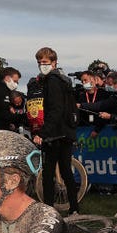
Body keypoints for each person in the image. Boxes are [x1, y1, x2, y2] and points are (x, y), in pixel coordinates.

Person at [27, 46, 80, 214]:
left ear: (54, 63)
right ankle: (74, 208)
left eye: (45, 62)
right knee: (66, 172)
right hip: (66, 132)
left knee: (48, 174)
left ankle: (49, 210)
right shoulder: (63, 80)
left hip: (55, 134)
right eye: (39, 62)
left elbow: (55, 110)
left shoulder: (52, 81)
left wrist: (43, 133)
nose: (42, 65)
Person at [0, 67, 23, 131]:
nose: (16, 84)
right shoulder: (0, 91)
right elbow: (3, 114)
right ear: (7, 78)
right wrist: (23, 117)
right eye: (15, 81)